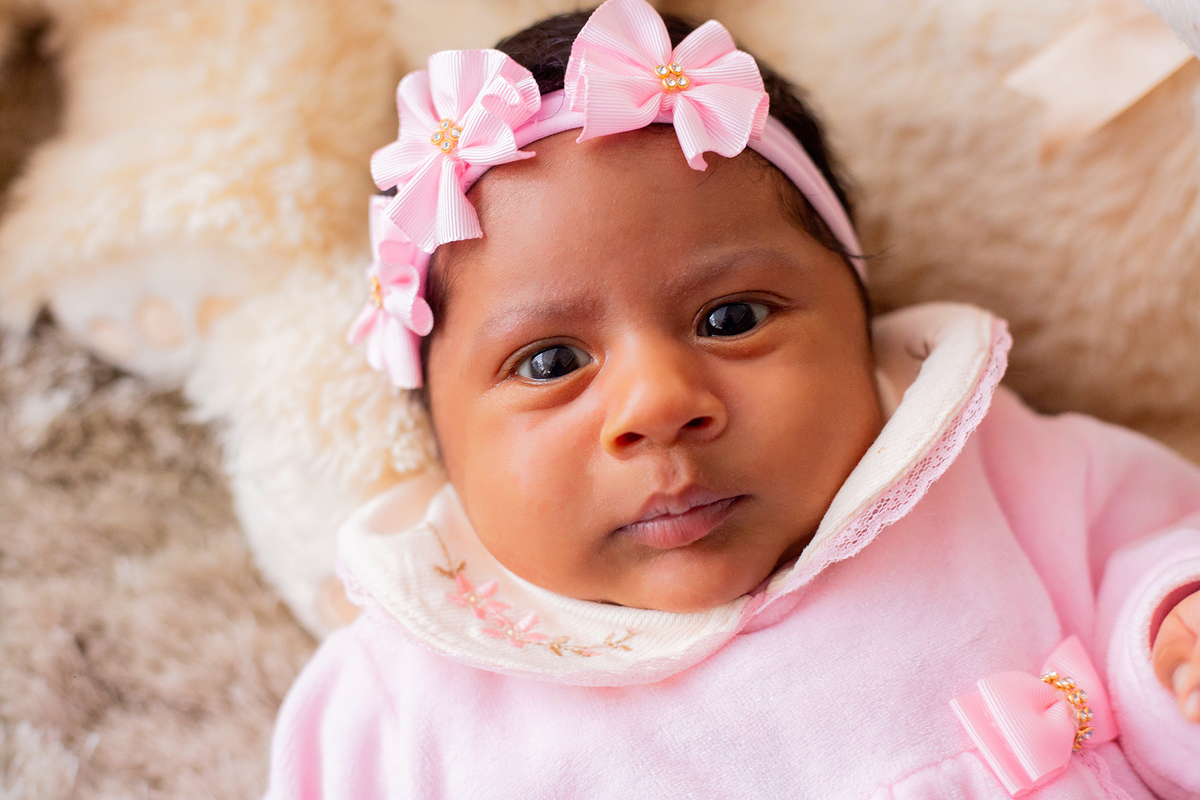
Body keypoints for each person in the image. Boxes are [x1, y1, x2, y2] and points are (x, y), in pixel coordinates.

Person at [265, 1, 1200, 796]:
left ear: (857, 322)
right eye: (550, 364)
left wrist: (1168, 653)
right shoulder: (404, 700)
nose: (660, 403)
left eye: (732, 316)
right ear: (440, 439)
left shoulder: (999, 471)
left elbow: (1159, 553)